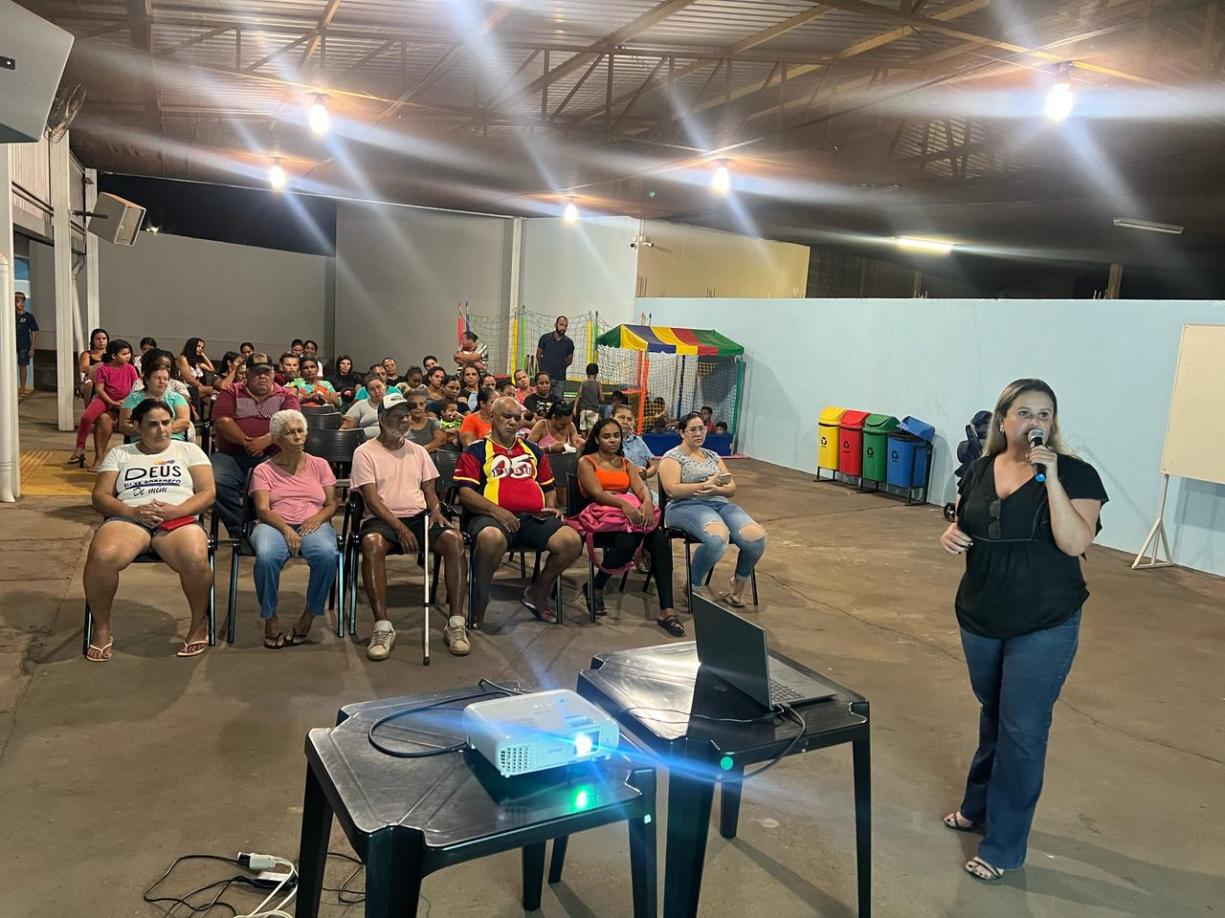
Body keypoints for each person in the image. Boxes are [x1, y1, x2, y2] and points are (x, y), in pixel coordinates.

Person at [938, 378, 1108, 883]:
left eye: (1046, 415)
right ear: (1004, 419)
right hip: (981, 615)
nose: (1036, 422)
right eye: (1025, 412)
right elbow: (967, 522)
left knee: (1023, 729)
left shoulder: (1077, 474)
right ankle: (977, 806)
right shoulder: (978, 469)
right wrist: (951, 533)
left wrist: (1050, 479)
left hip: (1045, 620)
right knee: (996, 713)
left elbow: (1075, 542)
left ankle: (1005, 846)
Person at [83, 399, 216, 661]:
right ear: (136, 426)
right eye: (152, 424)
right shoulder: (120, 454)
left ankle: (199, 623)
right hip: (131, 518)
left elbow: (208, 493)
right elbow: (100, 497)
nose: (162, 430)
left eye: (166, 423)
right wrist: (131, 512)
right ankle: (101, 628)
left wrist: (177, 511)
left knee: (195, 557)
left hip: (178, 517)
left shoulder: (189, 450)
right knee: (101, 556)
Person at [350, 391, 469, 660]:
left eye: (406, 416)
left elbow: (430, 490)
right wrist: (400, 529)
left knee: (454, 540)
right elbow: (372, 499)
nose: (404, 421)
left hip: (418, 517)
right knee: (371, 543)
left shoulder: (418, 451)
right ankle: (383, 627)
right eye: (397, 416)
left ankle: (456, 623)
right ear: (382, 419)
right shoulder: (364, 452)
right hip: (381, 519)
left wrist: (436, 510)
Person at [456, 397, 582, 626]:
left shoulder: (533, 450)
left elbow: (548, 487)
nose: (513, 422)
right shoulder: (475, 450)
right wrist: (497, 511)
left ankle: (537, 591)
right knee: (491, 539)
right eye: (507, 416)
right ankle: (481, 595)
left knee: (571, 541)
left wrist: (551, 506)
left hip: (532, 518)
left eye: (517, 417)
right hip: (489, 517)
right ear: (492, 417)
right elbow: (465, 493)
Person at [574, 417, 682, 636]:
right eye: (606, 436)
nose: (612, 440)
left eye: (616, 436)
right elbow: (596, 493)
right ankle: (595, 586)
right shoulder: (587, 462)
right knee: (628, 542)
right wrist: (624, 504)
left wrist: (648, 503)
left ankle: (667, 610)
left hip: (626, 517)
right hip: (601, 517)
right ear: (596, 439)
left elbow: (641, 489)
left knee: (659, 543)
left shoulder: (626, 464)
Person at [249, 409, 340, 649]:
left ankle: (309, 616)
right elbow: (262, 509)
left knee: (327, 555)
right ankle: (270, 617)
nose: (298, 436)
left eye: (301, 431)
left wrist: (318, 518)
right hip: (274, 523)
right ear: (277, 439)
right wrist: (287, 529)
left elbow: (332, 504)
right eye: (290, 432)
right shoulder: (264, 470)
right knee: (266, 556)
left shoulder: (319, 464)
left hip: (313, 522)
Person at [659, 412, 766, 608]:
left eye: (701, 429)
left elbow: (731, 487)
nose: (699, 433)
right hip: (685, 505)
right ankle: (692, 585)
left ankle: (737, 585)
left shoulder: (712, 456)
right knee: (717, 538)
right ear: (682, 432)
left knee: (756, 537)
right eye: (693, 429)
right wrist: (703, 486)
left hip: (719, 502)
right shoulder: (672, 457)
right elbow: (672, 490)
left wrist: (716, 489)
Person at [210, 362, 301, 536]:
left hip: (273, 455)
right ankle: (242, 531)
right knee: (214, 481)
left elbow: (292, 422)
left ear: (273, 375)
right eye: (257, 372)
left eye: (266, 372)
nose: (262, 376)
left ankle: (268, 527)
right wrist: (247, 442)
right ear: (247, 375)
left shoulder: (286, 395)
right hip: (231, 455)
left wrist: (266, 440)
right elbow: (222, 422)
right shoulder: (231, 392)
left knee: (284, 483)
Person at [69, 339, 139, 470]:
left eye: (129, 353)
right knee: (86, 417)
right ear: (113, 356)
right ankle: (80, 447)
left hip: (126, 401)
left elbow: (135, 388)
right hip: (105, 399)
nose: (128, 356)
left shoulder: (131, 369)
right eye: (124, 354)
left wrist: (126, 401)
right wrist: (112, 402)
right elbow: (99, 389)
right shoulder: (103, 369)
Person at [119, 359, 191, 441]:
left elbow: (184, 422)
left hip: (172, 440)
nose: (162, 382)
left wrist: (158, 431)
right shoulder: (133, 398)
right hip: (141, 441)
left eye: (165, 379)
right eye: (158, 378)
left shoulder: (177, 398)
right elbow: (124, 426)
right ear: (146, 380)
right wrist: (147, 433)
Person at [613, 405, 657, 482]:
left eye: (629, 419)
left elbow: (653, 465)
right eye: (621, 417)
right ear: (612, 418)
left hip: (642, 487)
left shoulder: (638, 441)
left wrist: (644, 474)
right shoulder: (606, 442)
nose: (625, 421)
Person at [536, 315, 574, 400]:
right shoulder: (545, 338)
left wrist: (560, 366)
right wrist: (541, 368)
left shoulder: (569, 342)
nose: (563, 327)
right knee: (543, 400)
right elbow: (538, 355)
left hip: (560, 378)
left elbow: (570, 360)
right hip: (546, 377)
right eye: (561, 324)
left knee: (558, 402)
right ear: (555, 324)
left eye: (565, 326)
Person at [341, 373, 387, 440]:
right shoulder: (360, 405)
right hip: (365, 444)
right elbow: (345, 428)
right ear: (367, 392)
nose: (376, 391)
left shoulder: (396, 403)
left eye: (378, 387)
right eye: (372, 389)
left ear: (385, 386)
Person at [177, 338, 216, 403]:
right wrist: (203, 387)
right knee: (213, 391)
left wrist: (203, 354)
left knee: (215, 392)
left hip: (196, 388)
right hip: (186, 388)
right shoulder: (183, 358)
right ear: (192, 346)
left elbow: (212, 370)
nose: (200, 349)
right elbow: (189, 379)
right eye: (198, 346)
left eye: (202, 347)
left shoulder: (197, 362)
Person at [14, 292, 38, 396]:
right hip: (12, 344)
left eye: (22, 301)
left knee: (22, 366)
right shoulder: (10, 316)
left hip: (24, 344)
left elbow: (34, 331)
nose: (21, 303)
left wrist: (32, 347)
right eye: (18, 301)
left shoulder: (28, 317)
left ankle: (22, 389)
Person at [77, 327, 108, 404]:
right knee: (89, 385)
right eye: (98, 339)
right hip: (90, 381)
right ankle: (88, 409)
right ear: (93, 340)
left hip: (107, 380)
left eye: (104, 338)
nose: (101, 341)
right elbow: (84, 368)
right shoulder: (87, 354)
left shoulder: (111, 354)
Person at [577, 362, 602, 433]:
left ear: (587, 373)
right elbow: (602, 398)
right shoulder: (598, 384)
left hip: (583, 410)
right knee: (591, 430)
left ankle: (583, 443)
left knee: (583, 430)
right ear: (596, 373)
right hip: (593, 410)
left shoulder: (583, 383)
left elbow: (578, 395)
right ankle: (589, 443)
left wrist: (574, 408)